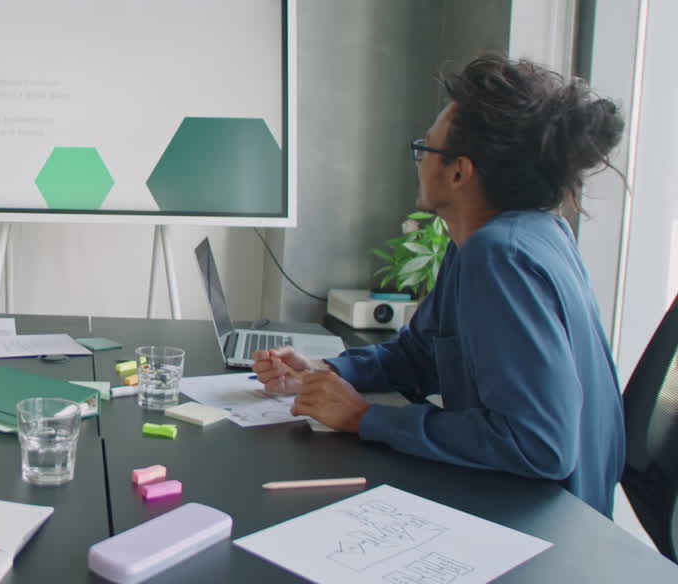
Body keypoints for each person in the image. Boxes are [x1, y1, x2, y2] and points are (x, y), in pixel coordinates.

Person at [253, 54, 626, 517]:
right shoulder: (498, 238)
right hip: (534, 506)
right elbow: (422, 355)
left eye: (424, 149)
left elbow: (540, 445)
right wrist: (328, 370)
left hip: (546, 526)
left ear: (458, 171)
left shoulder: (501, 256)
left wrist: (364, 417)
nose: (418, 162)